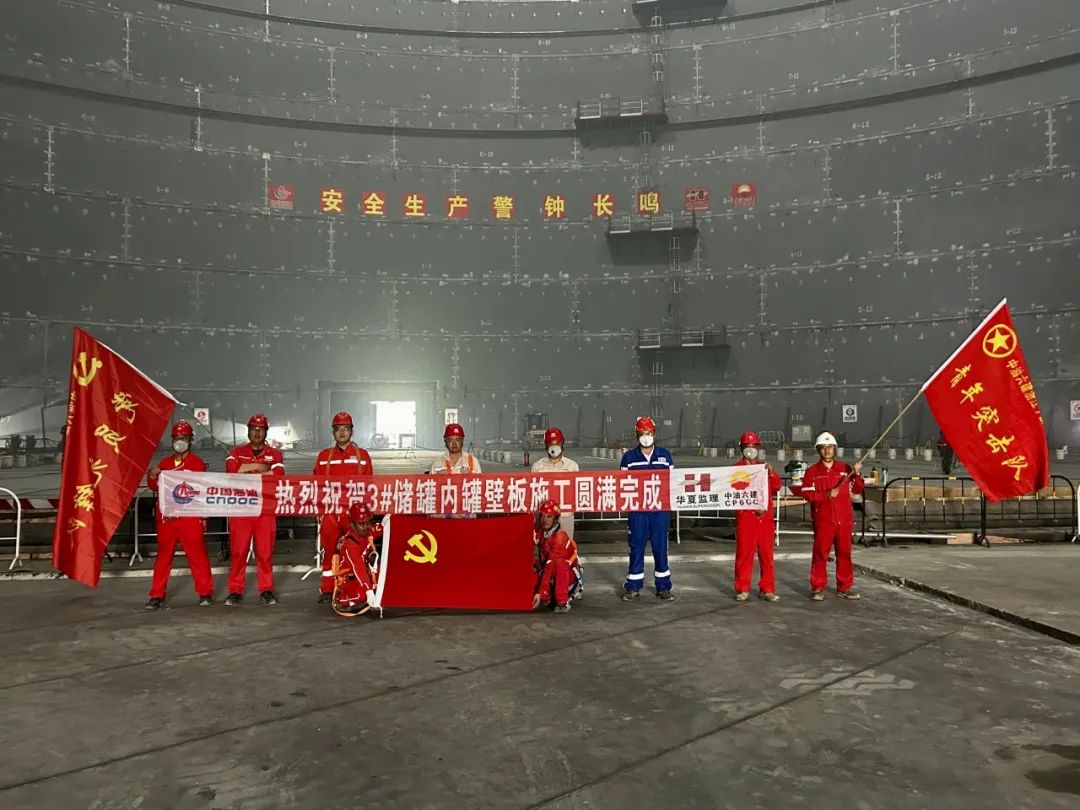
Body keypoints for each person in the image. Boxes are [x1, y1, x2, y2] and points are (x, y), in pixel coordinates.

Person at [144, 420, 214, 609]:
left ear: (191, 440)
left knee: (197, 555)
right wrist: (153, 474)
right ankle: (156, 594)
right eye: (176, 437)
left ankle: (205, 592)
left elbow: (199, 487)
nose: (180, 441)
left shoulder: (196, 463)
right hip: (167, 518)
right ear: (172, 440)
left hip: (190, 517)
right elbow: (154, 486)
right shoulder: (165, 463)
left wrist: (203, 517)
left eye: (184, 437)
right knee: (163, 557)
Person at [312, 411, 374, 603]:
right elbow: (316, 486)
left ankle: (354, 588)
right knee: (329, 553)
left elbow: (369, 486)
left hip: (353, 516)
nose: (342, 433)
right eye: (338, 429)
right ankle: (327, 589)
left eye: (345, 429)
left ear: (351, 431)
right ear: (333, 432)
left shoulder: (362, 456)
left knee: (355, 552)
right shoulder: (324, 456)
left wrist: (365, 515)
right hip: (331, 513)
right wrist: (319, 511)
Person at [224, 414, 285, 606]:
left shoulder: (275, 454)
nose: (257, 433)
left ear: (266, 432)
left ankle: (266, 590)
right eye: (253, 429)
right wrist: (262, 468)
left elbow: (278, 474)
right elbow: (232, 472)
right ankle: (235, 590)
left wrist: (246, 469)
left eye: (261, 430)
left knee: (265, 552)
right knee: (238, 551)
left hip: (265, 509)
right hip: (241, 509)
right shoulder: (236, 451)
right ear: (248, 431)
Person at [799, 431, 865, 601]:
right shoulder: (812, 472)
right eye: (823, 447)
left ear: (835, 449)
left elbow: (858, 489)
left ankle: (844, 587)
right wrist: (826, 495)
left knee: (844, 553)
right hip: (824, 520)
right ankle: (817, 587)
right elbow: (807, 493)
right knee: (820, 553)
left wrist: (857, 474)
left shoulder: (845, 469)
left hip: (844, 519)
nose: (827, 450)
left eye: (830, 447)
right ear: (818, 450)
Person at [620, 416, 675, 602]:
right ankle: (633, 586)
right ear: (637, 435)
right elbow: (622, 484)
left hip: (659, 511)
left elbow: (672, 482)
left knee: (660, 548)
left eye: (649, 433)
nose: (646, 436)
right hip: (637, 511)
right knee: (636, 547)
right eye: (642, 433)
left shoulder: (665, 456)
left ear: (654, 434)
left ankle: (664, 587)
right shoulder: (629, 458)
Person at [733, 431, 783, 602]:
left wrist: (772, 473)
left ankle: (767, 589)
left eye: (753, 446)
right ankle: (742, 588)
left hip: (765, 519)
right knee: (744, 555)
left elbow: (776, 486)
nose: (750, 449)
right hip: (746, 518)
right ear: (741, 448)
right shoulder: (736, 469)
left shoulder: (764, 468)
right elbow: (733, 491)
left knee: (766, 555)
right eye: (747, 446)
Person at [330, 503, 382, 617]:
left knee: (386, 582)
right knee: (362, 595)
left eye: (368, 522)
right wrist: (368, 590)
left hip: (366, 575)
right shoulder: (349, 544)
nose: (366, 527)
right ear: (352, 523)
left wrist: (389, 520)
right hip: (349, 580)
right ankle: (342, 600)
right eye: (362, 524)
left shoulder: (368, 532)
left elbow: (382, 527)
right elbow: (358, 568)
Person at [530, 427, 580, 539]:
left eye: (557, 443)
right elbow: (533, 493)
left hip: (565, 514)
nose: (554, 446)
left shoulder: (572, 466)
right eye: (551, 444)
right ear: (546, 445)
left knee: (565, 545)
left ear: (562, 444)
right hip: (545, 517)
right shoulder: (537, 467)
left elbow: (576, 491)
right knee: (545, 546)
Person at [532, 500, 581, 613]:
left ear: (555, 518)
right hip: (551, 574)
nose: (545, 520)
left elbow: (550, 565)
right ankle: (546, 596)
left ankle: (562, 602)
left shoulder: (560, 537)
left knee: (559, 562)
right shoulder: (542, 533)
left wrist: (540, 592)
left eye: (549, 516)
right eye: (543, 516)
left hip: (567, 577)